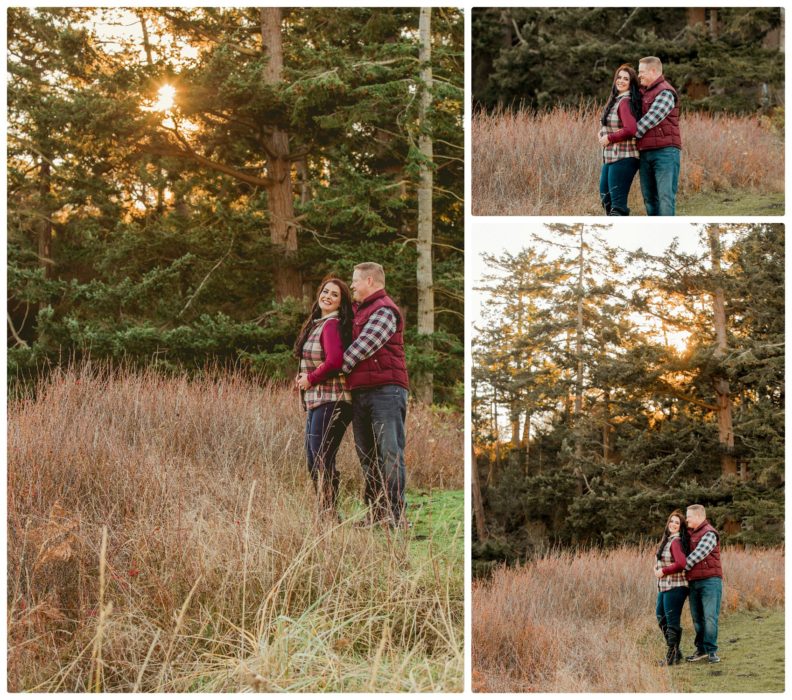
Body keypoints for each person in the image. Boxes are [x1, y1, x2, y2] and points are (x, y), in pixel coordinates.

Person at [341, 262, 410, 528]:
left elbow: (363, 347)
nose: (352, 286)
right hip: (361, 392)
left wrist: (332, 371)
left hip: (386, 391)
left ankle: (395, 516)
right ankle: (376, 514)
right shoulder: (359, 310)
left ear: (370, 281)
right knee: (367, 456)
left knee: (390, 453)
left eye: (355, 281)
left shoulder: (384, 310)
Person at [294, 277, 354, 521]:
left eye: (335, 295)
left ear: (341, 302)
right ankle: (326, 511)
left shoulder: (331, 325)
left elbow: (334, 362)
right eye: (325, 291)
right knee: (314, 459)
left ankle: (329, 513)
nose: (328, 296)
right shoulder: (318, 323)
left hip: (333, 399)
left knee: (321, 458)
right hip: (318, 399)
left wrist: (311, 378)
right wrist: (304, 377)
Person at [634, 56, 682, 216]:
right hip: (645, 152)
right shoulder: (643, 93)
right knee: (649, 199)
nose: (639, 75)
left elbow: (651, 119)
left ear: (653, 71)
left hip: (665, 153)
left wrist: (626, 135)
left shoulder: (665, 92)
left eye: (641, 72)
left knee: (665, 197)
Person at [597, 64, 642, 215]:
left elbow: (631, 129)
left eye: (626, 79)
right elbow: (614, 124)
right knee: (606, 199)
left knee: (617, 207)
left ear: (631, 83)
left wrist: (609, 138)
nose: (621, 81)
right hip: (611, 156)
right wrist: (602, 133)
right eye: (619, 77)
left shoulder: (625, 101)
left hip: (624, 156)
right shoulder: (615, 99)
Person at [683, 504, 723, 664]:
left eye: (689, 516)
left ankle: (712, 650)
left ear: (699, 517)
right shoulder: (690, 533)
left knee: (710, 617)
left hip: (710, 581)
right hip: (693, 581)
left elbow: (696, 556)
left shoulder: (709, 533)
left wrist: (675, 569)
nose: (687, 519)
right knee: (697, 618)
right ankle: (701, 649)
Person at [653, 510, 690, 665]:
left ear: (680, 527)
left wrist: (663, 571)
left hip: (676, 586)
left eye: (677, 523)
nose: (673, 524)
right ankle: (676, 652)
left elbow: (682, 563)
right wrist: (656, 568)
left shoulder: (676, 541)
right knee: (661, 617)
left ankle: (671, 657)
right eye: (672, 521)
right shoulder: (667, 540)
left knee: (671, 621)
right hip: (665, 586)